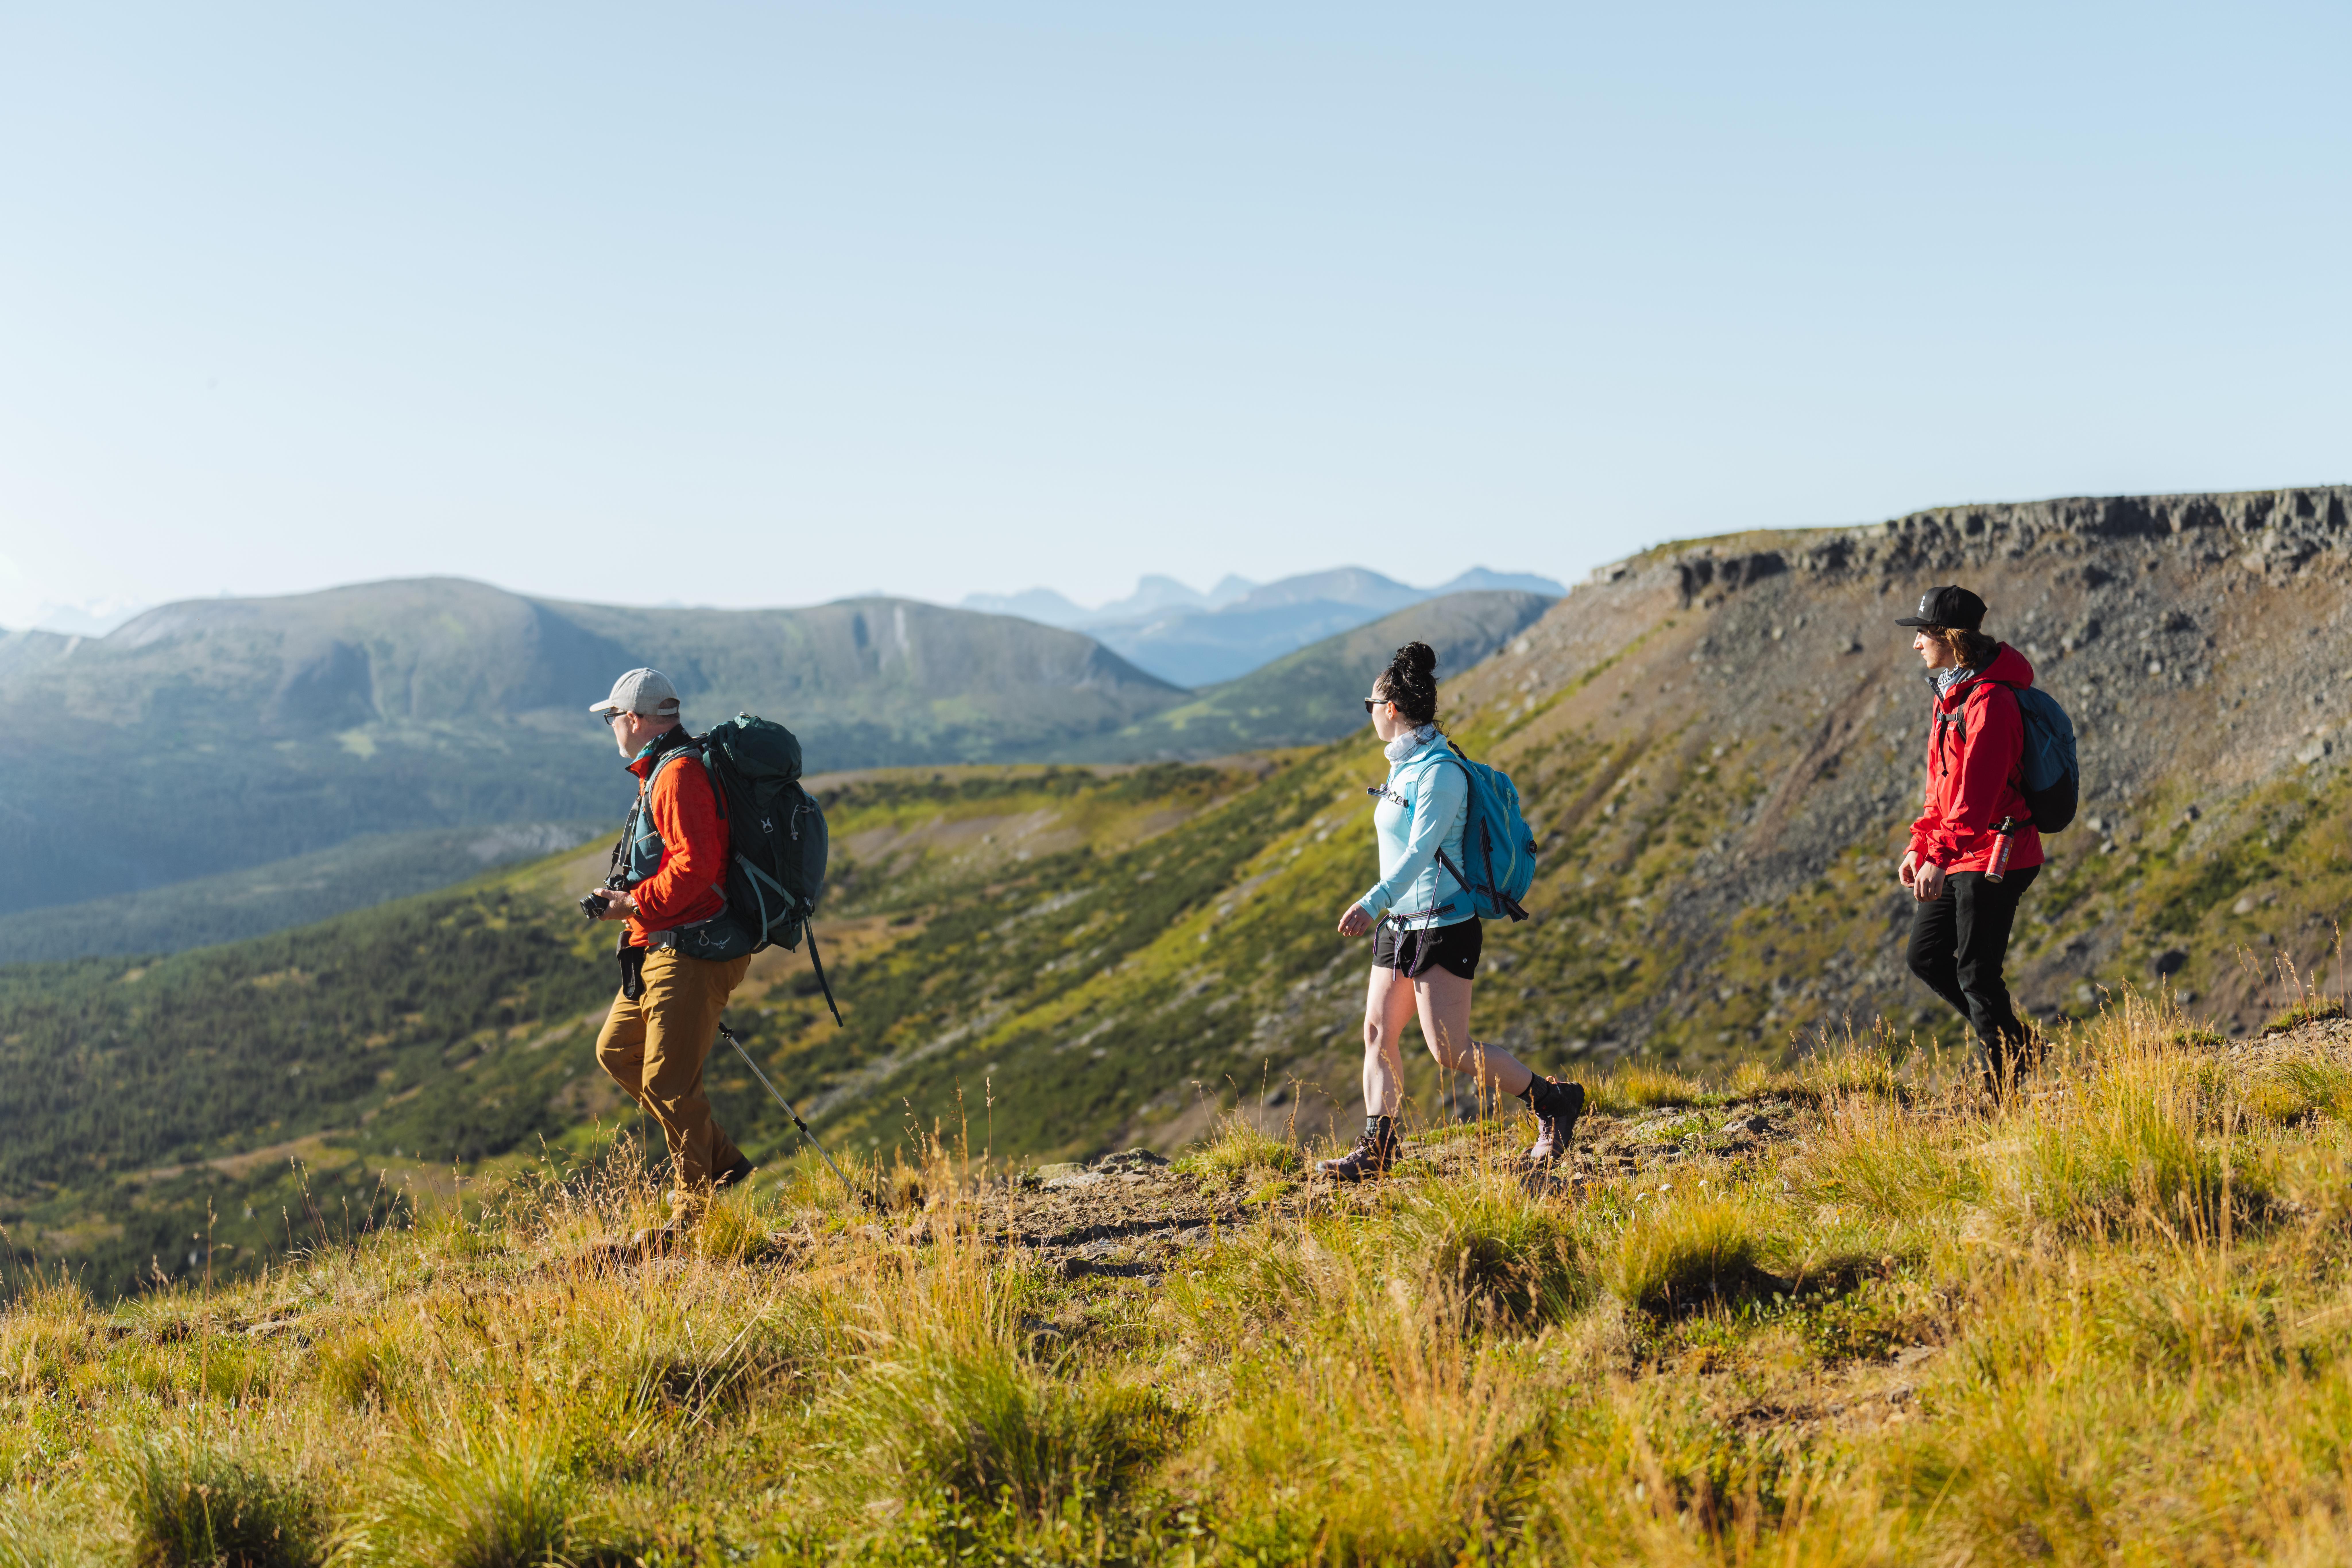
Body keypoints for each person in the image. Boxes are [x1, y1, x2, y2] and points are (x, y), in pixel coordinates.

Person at [1317, 642, 1586, 1180]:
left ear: (1390, 709)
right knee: (1377, 1033)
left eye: (1369, 704)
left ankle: (1553, 1100)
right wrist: (1387, 910)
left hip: (1443, 924)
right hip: (1401, 923)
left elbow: (1420, 852)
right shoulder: (1404, 765)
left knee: (1450, 1049)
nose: (1369, 713)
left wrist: (1372, 901)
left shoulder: (1440, 773)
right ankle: (1379, 1148)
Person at [583, 667, 756, 1221]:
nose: (612, 727)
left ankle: (693, 1210)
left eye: (613, 717)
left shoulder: (677, 774)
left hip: (691, 949)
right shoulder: (661, 769)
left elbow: (697, 867)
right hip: (661, 944)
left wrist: (633, 903)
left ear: (633, 718)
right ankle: (722, 1161)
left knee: (667, 1081)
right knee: (617, 1050)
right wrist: (627, 896)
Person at [1894, 586, 2045, 1095]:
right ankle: (2017, 1043)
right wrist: (1921, 845)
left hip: (2000, 851)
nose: (1917, 645)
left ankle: (2000, 1082)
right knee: (1927, 956)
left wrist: (1939, 854)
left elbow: (1977, 800)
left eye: (1922, 634)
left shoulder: (1992, 701)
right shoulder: (1950, 696)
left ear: (1948, 637)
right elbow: (1941, 789)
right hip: (1963, 851)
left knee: (1977, 971)